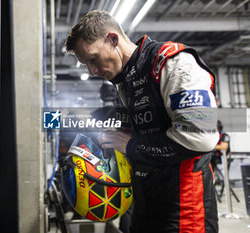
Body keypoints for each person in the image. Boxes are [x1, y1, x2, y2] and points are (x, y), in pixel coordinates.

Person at [65, 10, 219, 233]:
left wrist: (129, 145)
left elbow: (200, 137)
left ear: (113, 39)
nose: (92, 71)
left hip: (184, 209)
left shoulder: (172, 62)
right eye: (86, 64)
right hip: (144, 202)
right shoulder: (125, 81)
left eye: (93, 58)